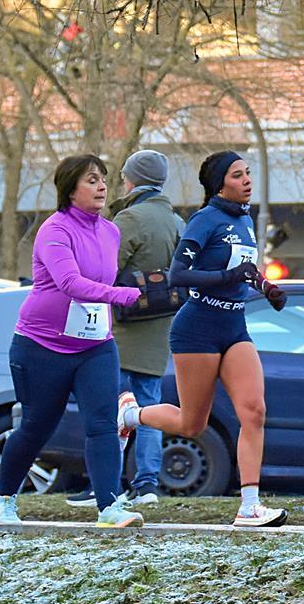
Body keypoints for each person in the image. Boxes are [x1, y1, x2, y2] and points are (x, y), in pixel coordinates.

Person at [117, 151, 289, 528]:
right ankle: (131, 414)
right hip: (197, 329)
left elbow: (240, 269)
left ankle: (249, 506)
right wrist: (233, 277)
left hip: (234, 328)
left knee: (254, 411)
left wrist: (265, 286)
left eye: (248, 174)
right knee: (192, 425)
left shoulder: (244, 222)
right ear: (219, 184)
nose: (247, 181)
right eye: (237, 175)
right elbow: (179, 274)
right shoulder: (205, 220)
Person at [0, 154, 144, 528]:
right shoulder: (55, 230)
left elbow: (100, 280)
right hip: (41, 345)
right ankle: (1, 496)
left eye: (103, 179)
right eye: (91, 180)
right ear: (70, 189)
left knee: (103, 423)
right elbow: (70, 283)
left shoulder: (110, 231)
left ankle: (109, 507)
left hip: (94, 345)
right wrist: (121, 295)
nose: (102, 186)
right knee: (36, 426)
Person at [65, 149, 184, 509]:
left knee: (107, 407)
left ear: (133, 178)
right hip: (159, 327)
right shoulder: (177, 221)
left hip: (122, 326)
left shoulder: (130, 218)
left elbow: (104, 268)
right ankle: (147, 483)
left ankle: (105, 483)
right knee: (148, 406)